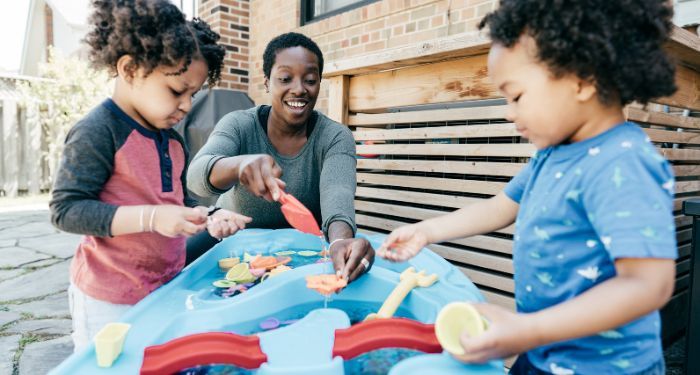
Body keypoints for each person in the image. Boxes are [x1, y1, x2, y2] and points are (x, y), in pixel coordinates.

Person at [378, 1, 677, 373]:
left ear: (582, 78)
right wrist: (427, 231)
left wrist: (527, 329)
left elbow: (647, 285)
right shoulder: (552, 156)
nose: (508, 111)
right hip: (540, 351)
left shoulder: (623, 162)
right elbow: (500, 207)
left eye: (516, 96)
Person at [49, 0, 251, 352]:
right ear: (130, 70)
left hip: (164, 286)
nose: (187, 105)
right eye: (176, 91)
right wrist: (152, 218)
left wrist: (210, 216)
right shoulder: (98, 131)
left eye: (193, 94)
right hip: (109, 298)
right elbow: (66, 211)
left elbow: (176, 202)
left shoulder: (170, 140)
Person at [187, 32, 374, 282]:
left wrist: (339, 242)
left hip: (299, 254)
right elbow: (196, 177)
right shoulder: (239, 124)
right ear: (266, 82)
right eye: (285, 78)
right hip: (231, 245)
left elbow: (337, 199)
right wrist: (239, 166)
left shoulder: (334, 137)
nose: (299, 89)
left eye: (310, 79)